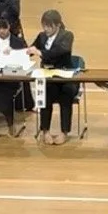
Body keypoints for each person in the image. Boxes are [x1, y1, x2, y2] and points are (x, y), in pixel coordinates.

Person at [26, 10, 77, 145]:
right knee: (45, 94)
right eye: (44, 26)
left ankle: (64, 132)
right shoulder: (41, 36)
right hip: (48, 77)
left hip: (64, 77)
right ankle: (45, 131)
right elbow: (30, 50)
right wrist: (19, 51)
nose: (46, 29)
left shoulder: (67, 36)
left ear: (58, 25)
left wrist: (40, 52)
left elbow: (60, 51)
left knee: (66, 95)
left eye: (49, 26)